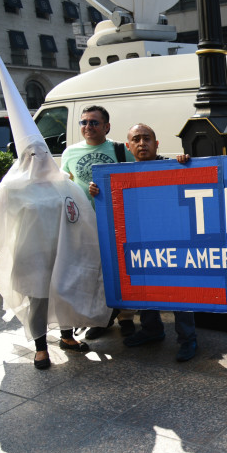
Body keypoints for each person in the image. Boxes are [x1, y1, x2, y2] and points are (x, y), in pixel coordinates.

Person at [0, 57, 110, 369]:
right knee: (38, 300)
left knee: (64, 292)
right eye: (30, 154)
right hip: (31, 257)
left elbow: (80, 215)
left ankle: (67, 335)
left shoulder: (62, 184)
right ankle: (41, 347)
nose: (37, 159)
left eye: (41, 153)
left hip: (63, 253)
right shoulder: (11, 188)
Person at [89, 123, 197, 362]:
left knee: (181, 292)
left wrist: (187, 163)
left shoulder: (174, 165)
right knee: (145, 288)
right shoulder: (119, 175)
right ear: (128, 146)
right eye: (136, 139)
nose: (141, 143)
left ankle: (188, 339)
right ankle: (151, 330)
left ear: (156, 144)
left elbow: (195, 184)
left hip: (174, 241)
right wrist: (98, 190)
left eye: (146, 138)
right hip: (141, 244)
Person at [61, 105, 136, 339]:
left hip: (116, 222)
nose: (88, 127)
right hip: (84, 225)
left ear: (107, 126)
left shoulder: (121, 150)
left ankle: (126, 317)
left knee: (120, 270)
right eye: (83, 122)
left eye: (94, 122)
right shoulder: (69, 153)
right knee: (93, 273)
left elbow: (136, 178)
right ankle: (100, 318)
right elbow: (63, 185)